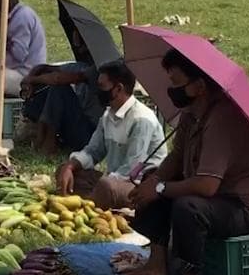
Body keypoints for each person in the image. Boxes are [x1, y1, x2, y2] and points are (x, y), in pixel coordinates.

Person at [125, 48, 249, 275]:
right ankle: (156, 266)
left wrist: (161, 189)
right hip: (216, 199)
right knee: (156, 181)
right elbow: (177, 156)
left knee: (186, 205)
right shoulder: (192, 114)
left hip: (245, 208)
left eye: (177, 84)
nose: (172, 90)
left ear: (199, 86)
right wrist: (155, 180)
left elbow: (207, 185)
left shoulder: (223, 119)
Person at [56, 60, 167, 210]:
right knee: (66, 171)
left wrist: (104, 184)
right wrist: (70, 166)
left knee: (105, 187)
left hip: (137, 185)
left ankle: (88, 204)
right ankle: (92, 200)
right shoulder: (108, 115)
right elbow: (93, 151)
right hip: (112, 178)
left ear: (118, 88)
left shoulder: (141, 120)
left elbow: (131, 169)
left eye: (101, 86)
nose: (97, 91)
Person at [21, 29, 105, 154]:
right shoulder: (81, 67)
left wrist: (32, 79)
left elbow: (58, 79)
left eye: (82, 46)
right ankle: (40, 135)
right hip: (78, 126)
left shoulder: (99, 70)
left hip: (91, 135)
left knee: (59, 89)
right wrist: (31, 81)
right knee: (44, 93)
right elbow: (45, 68)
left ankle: (49, 142)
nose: (80, 50)